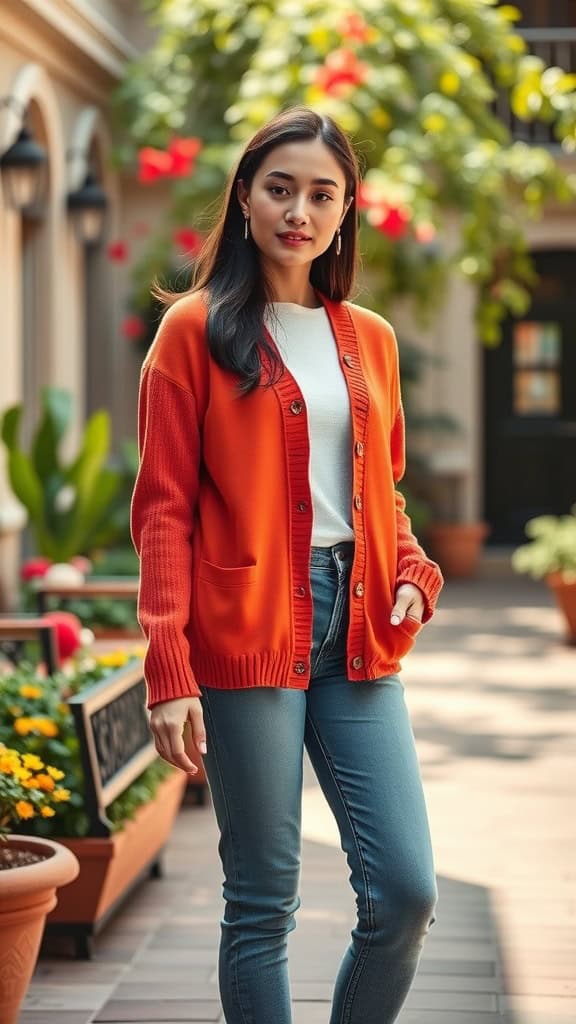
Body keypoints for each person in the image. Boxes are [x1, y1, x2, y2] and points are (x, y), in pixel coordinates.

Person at [131, 105, 444, 1024]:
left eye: (321, 193)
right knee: (262, 901)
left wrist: (412, 572)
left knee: (405, 892)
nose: (298, 210)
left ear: (345, 210)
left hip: (359, 627)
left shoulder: (371, 339)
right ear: (244, 196)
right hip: (245, 628)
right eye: (280, 188)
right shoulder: (192, 332)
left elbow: (381, 491)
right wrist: (168, 667)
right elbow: (162, 512)